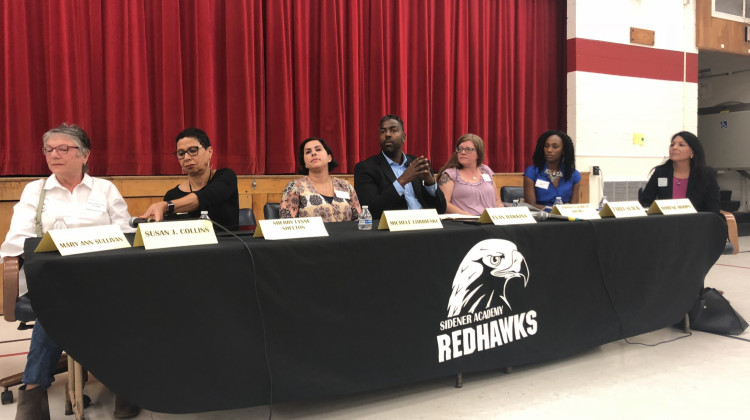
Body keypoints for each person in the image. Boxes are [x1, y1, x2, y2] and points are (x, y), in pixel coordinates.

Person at [0, 124, 140, 419]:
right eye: (49, 149)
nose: (54, 154)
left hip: (100, 275)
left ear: (85, 155)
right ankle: (126, 387)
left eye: (64, 148)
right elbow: (15, 242)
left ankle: (33, 392)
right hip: (52, 277)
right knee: (57, 299)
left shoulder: (104, 189)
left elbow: (127, 235)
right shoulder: (34, 191)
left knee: (66, 304)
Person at [140, 127, 240, 228]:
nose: (186, 158)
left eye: (193, 150)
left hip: (229, 243)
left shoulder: (226, 176)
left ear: (209, 152)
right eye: (181, 153)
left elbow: (207, 196)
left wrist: (166, 206)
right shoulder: (172, 196)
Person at [353, 114, 447, 219]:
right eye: (383, 132)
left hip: (425, 226)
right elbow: (370, 211)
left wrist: (431, 183)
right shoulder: (366, 168)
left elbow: (441, 209)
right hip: (396, 231)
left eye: (393, 130)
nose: (387, 135)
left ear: (404, 137)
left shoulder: (418, 164)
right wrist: (402, 180)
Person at [280, 137, 362, 222]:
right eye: (308, 152)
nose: (313, 153)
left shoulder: (345, 186)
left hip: (346, 235)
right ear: (305, 164)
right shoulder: (295, 187)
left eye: (318, 149)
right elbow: (286, 224)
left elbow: (359, 220)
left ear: (329, 158)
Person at [639, 131, 720, 213]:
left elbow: (713, 208)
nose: (674, 148)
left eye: (681, 145)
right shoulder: (661, 172)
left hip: (695, 222)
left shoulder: (706, 175)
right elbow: (645, 202)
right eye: (672, 144)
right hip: (665, 222)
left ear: (693, 151)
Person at [437, 134, 503, 215]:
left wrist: (501, 213)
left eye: (468, 149)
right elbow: (444, 204)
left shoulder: (486, 170)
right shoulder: (449, 174)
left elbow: (497, 200)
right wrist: (471, 217)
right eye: (460, 149)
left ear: (478, 153)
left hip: (491, 222)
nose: (463, 152)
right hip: (466, 223)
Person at [523, 130, 581, 210]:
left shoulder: (573, 175)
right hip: (540, 218)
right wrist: (555, 211)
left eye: (555, 147)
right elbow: (530, 205)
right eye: (546, 146)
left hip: (565, 219)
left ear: (563, 151)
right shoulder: (531, 172)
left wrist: (565, 210)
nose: (549, 150)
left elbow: (574, 207)